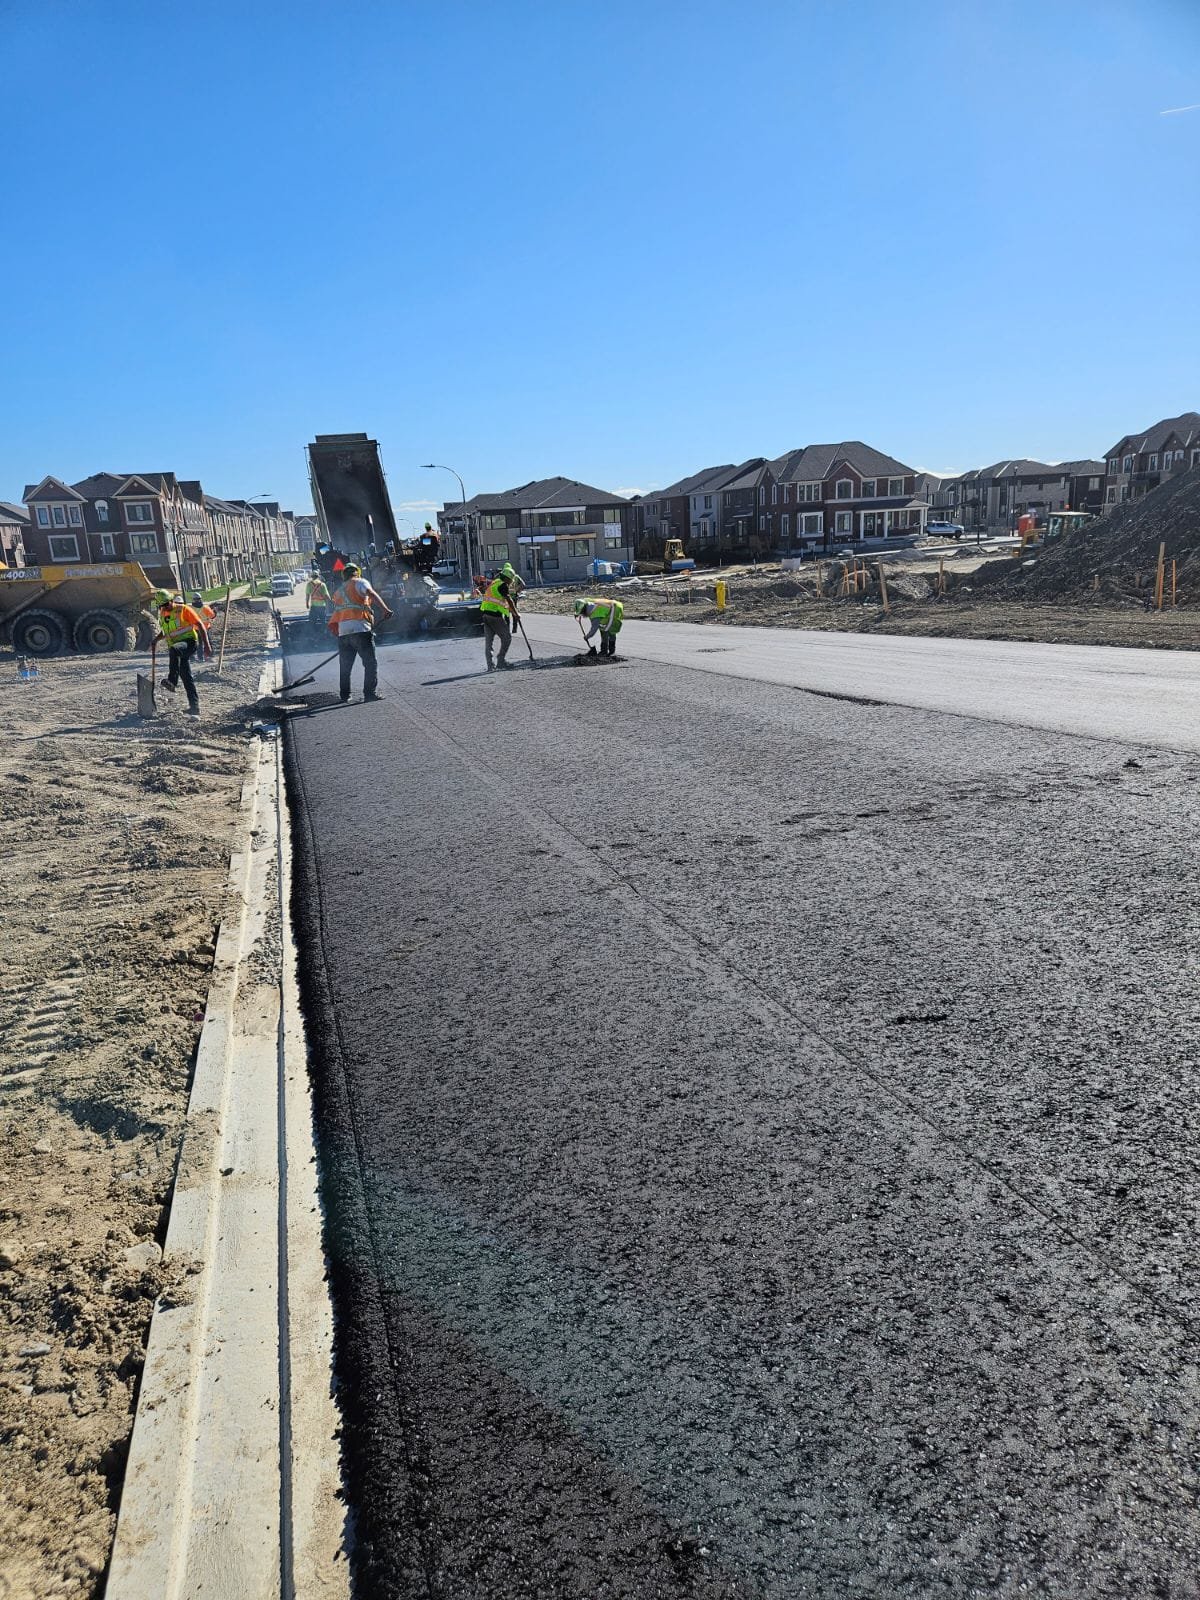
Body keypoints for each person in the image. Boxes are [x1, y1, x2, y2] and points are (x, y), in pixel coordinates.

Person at [327, 563, 393, 703]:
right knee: (370, 664)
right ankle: (369, 694)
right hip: (360, 629)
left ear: (344, 575)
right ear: (356, 572)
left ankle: (345, 696)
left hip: (343, 632)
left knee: (345, 666)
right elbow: (371, 593)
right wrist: (385, 609)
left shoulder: (339, 590)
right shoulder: (360, 582)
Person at [153, 590, 212, 716]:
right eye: (162, 605)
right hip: (178, 650)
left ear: (171, 600)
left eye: (167, 603)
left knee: (174, 649)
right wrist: (155, 640)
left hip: (189, 642)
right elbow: (165, 632)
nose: (166, 607)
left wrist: (207, 646)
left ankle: (172, 682)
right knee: (186, 677)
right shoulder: (163, 614)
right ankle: (194, 707)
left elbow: (200, 625)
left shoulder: (183, 609)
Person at [479, 567, 520, 671]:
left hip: (485, 615)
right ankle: (501, 661)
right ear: (507, 578)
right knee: (507, 638)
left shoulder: (494, 583)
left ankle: (490, 666)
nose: (511, 582)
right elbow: (509, 600)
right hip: (494, 616)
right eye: (511, 580)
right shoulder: (503, 585)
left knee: (489, 642)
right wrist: (515, 613)